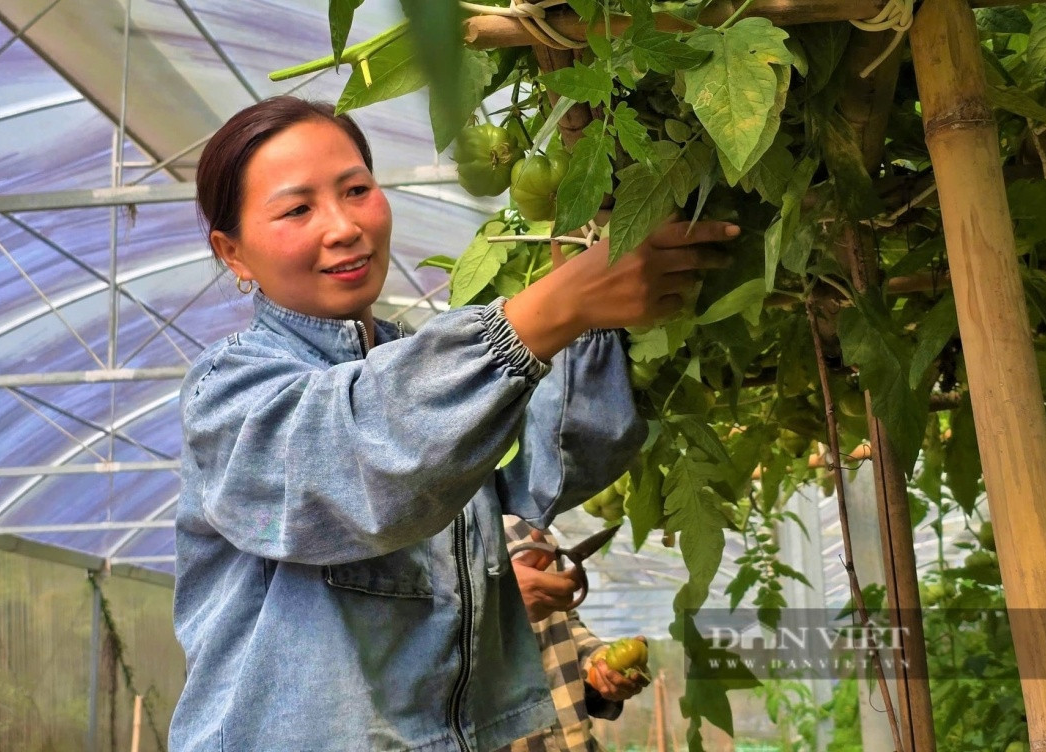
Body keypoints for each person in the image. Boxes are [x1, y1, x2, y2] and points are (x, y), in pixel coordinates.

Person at [169, 95, 738, 751]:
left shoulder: (424, 370)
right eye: (298, 208)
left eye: (357, 189)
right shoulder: (231, 393)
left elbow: (544, 474)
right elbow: (362, 461)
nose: (344, 226)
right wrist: (544, 316)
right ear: (232, 252)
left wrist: (588, 325)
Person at [500, 516, 649, 752]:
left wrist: (597, 662)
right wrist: (496, 602)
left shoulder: (526, 528)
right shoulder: (425, 538)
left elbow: (560, 624)